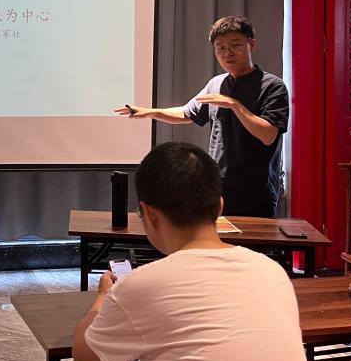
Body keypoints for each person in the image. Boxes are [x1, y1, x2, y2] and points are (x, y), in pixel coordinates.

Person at [72, 141, 308, 361]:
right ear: (220, 208)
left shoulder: (142, 285)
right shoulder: (272, 271)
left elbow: (83, 354)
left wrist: (103, 297)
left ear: (149, 213)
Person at [116, 15, 289, 216]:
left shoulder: (272, 86)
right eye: (220, 47)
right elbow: (187, 113)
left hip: (255, 194)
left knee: (253, 237)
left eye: (235, 45)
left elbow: (268, 135)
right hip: (217, 189)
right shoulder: (216, 83)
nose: (227, 53)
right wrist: (148, 112)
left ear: (251, 45)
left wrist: (234, 105)